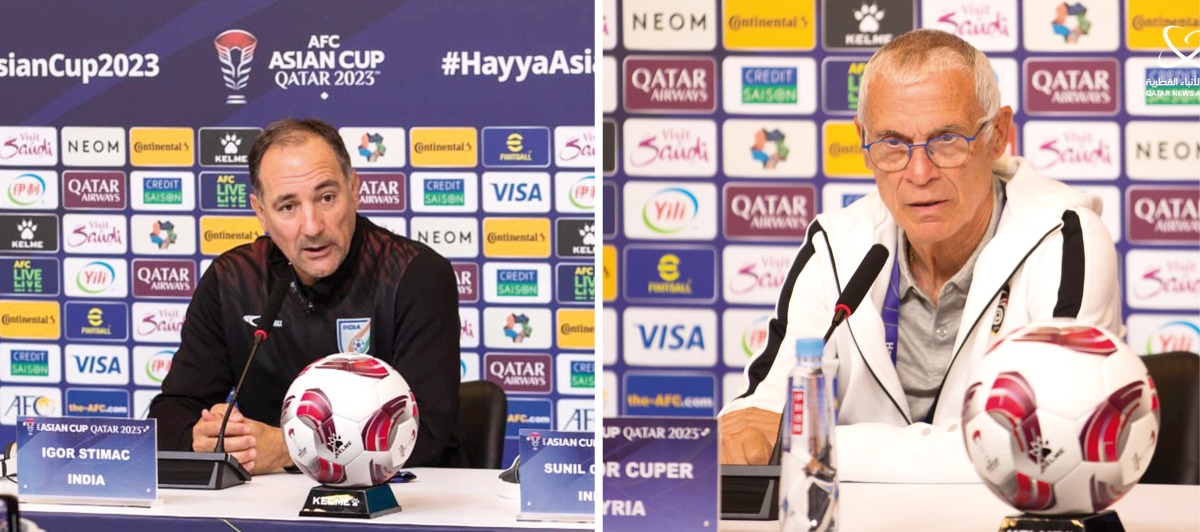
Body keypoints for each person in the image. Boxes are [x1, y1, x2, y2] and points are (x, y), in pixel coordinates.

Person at [718, 29, 1121, 482]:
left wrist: (819, 444)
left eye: (946, 139)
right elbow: (756, 420)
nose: (919, 172)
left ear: (997, 135)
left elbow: (1043, 445)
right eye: (891, 143)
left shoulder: (1064, 240)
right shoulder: (836, 245)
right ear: (862, 141)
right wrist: (768, 436)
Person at [149, 118, 465, 473]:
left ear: (354, 188)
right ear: (260, 212)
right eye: (288, 207)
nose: (312, 226)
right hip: (265, 509)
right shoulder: (232, 280)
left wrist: (287, 450)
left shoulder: (414, 274)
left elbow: (426, 435)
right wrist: (198, 436)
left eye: (326, 197)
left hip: (400, 508)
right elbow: (171, 411)